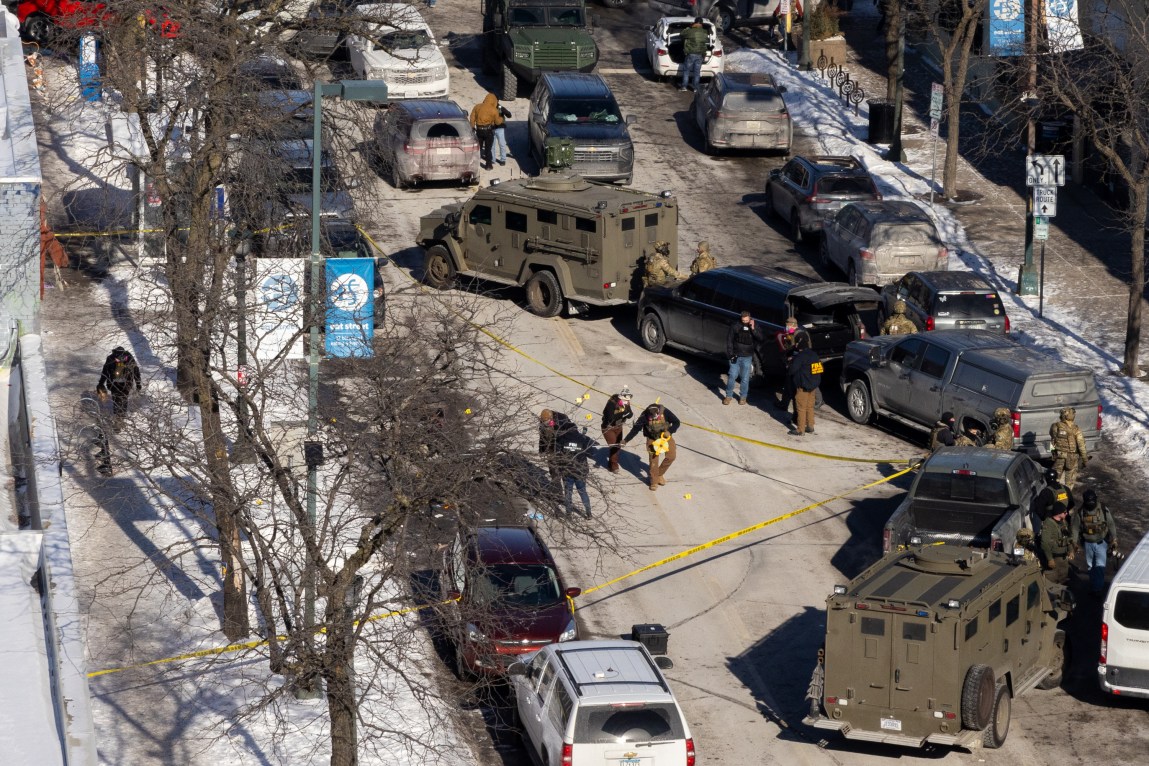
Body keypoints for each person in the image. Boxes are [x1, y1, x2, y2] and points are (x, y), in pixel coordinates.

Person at [622, 402, 681, 491]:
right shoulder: (644, 416)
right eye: (651, 416)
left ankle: (659, 474)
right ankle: (653, 481)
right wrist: (625, 440)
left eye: (656, 415)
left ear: (658, 412)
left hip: (666, 437)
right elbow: (635, 429)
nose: (654, 417)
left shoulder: (665, 412)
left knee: (671, 456)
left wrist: (670, 431)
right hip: (652, 439)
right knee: (654, 461)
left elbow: (677, 422)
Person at [1073, 489, 1117, 595]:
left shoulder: (1102, 509)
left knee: (1100, 566)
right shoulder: (1081, 512)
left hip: (1101, 543)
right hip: (1088, 543)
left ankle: (1098, 588)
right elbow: (1075, 528)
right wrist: (1074, 542)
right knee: (1090, 566)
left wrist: (1114, 538)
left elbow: (1110, 523)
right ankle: (1094, 585)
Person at [555, 425, 595, 518]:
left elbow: (557, 454)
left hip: (567, 470)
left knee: (568, 493)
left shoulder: (561, 439)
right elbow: (591, 453)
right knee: (582, 492)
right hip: (580, 471)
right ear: (576, 430)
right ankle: (588, 513)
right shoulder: (583, 439)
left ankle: (568, 513)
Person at [97, 345, 142, 428]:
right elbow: (136, 371)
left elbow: (105, 372)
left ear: (115, 351)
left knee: (116, 400)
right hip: (127, 384)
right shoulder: (129, 357)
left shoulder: (111, 358)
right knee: (124, 400)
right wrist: (138, 384)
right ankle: (121, 419)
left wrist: (101, 383)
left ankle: (117, 419)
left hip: (114, 384)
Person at [725, 310, 763, 405]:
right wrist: (730, 354)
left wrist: (753, 328)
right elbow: (729, 340)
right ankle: (728, 396)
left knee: (745, 378)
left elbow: (761, 338)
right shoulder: (735, 325)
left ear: (749, 318)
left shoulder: (754, 326)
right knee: (732, 376)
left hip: (747, 357)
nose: (745, 322)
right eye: (743, 320)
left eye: (746, 320)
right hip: (735, 355)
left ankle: (743, 397)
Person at [788, 333, 822, 436]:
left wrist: (790, 363)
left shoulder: (800, 356)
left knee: (801, 408)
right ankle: (810, 426)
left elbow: (792, 370)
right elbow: (818, 370)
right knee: (810, 407)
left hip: (802, 387)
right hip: (813, 386)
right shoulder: (814, 355)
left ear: (799, 344)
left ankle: (800, 429)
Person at [775, 317, 810, 413]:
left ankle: (817, 401)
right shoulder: (802, 331)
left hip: (797, 361)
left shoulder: (797, 334)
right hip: (801, 360)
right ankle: (784, 404)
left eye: (787, 325)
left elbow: (793, 348)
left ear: (791, 325)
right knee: (789, 383)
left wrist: (788, 356)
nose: (786, 327)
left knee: (792, 382)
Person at [1050, 406, 1088, 487]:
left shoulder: (1055, 426)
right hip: (1072, 458)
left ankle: (1054, 494)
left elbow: (1052, 440)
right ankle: (1068, 495)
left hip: (1059, 456)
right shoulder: (1076, 429)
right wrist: (1085, 459)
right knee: (1069, 482)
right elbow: (1081, 446)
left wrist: (1053, 453)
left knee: (1055, 478)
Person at [600, 386, 634, 473]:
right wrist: (624, 413)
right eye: (626, 400)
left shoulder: (626, 404)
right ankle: (614, 465)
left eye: (628, 400)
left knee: (618, 446)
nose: (627, 402)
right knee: (614, 446)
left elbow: (630, 415)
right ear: (620, 398)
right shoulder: (611, 404)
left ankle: (610, 464)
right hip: (608, 428)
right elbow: (611, 418)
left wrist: (626, 411)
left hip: (619, 427)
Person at [1040, 501, 1073, 585]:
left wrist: (1071, 550)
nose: (1066, 514)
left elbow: (1067, 537)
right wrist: (1050, 559)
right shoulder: (1049, 524)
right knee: (1051, 580)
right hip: (1054, 557)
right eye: (1065, 512)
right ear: (1058, 513)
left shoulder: (1063, 522)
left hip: (1063, 557)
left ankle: (1062, 594)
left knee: (1063, 577)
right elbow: (1044, 543)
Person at [538, 409, 573, 482]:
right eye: (544, 422)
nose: (545, 424)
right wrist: (541, 450)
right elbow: (542, 437)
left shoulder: (562, 418)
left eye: (547, 422)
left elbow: (572, 431)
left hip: (562, 448)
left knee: (563, 469)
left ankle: (564, 482)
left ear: (551, 418)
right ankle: (555, 483)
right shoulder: (543, 422)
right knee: (553, 468)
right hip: (551, 448)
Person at [469, 93, 502, 170]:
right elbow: (497, 122)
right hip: (488, 131)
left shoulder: (477, 107)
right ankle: (488, 165)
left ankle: (474, 164)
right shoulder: (494, 110)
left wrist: (473, 126)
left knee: (478, 148)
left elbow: (472, 117)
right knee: (488, 149)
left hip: (479, 130)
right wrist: (501, 119)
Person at [678, 17, 710, 92]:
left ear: (695, 23)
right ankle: (695, 88)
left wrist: (688, 28)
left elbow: (682, 34)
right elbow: (705, 41)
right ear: (701, 24)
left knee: (686, 71)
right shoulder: (704, 32)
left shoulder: (690, 31)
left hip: (691, 53)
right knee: (697, 72)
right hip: (700, 54)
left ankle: (684, 87)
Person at [493, 100, 512, 166]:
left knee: (498, 144)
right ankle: (499, 160)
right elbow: (509, 115)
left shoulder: (500, 107)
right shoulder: (498, 107)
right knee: (500, 144)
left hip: (497, 128)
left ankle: (497, 159)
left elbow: (509, 115)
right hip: (495, 128)